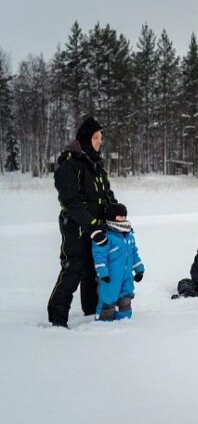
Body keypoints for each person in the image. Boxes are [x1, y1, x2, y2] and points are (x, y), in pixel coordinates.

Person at [48, 116, 118, 328]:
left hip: (97, 227)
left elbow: (106, 195)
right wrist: (91, 226)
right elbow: (71, 201)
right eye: (96, 137)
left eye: (101, 137)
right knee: (74, 268)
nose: (100, 141)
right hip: (76, 227)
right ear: (86, 138)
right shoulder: (70, 164)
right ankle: (57, 318)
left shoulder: (96, 164)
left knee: (93, 269)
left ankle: (90, 313)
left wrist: (118, 215)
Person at [92, 203, 144, 321]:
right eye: (119, 216)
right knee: (108, 300)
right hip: (111, 277)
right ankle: (104, 323)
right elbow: (99, 256)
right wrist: (103, 273)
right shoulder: (106, 236)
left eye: (124, 216)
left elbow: (134, 253)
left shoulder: (129, 235)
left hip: (126, 276)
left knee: (126, 299)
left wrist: (139, 269)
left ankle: (124, 323)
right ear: (111, 217)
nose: (123, 219)